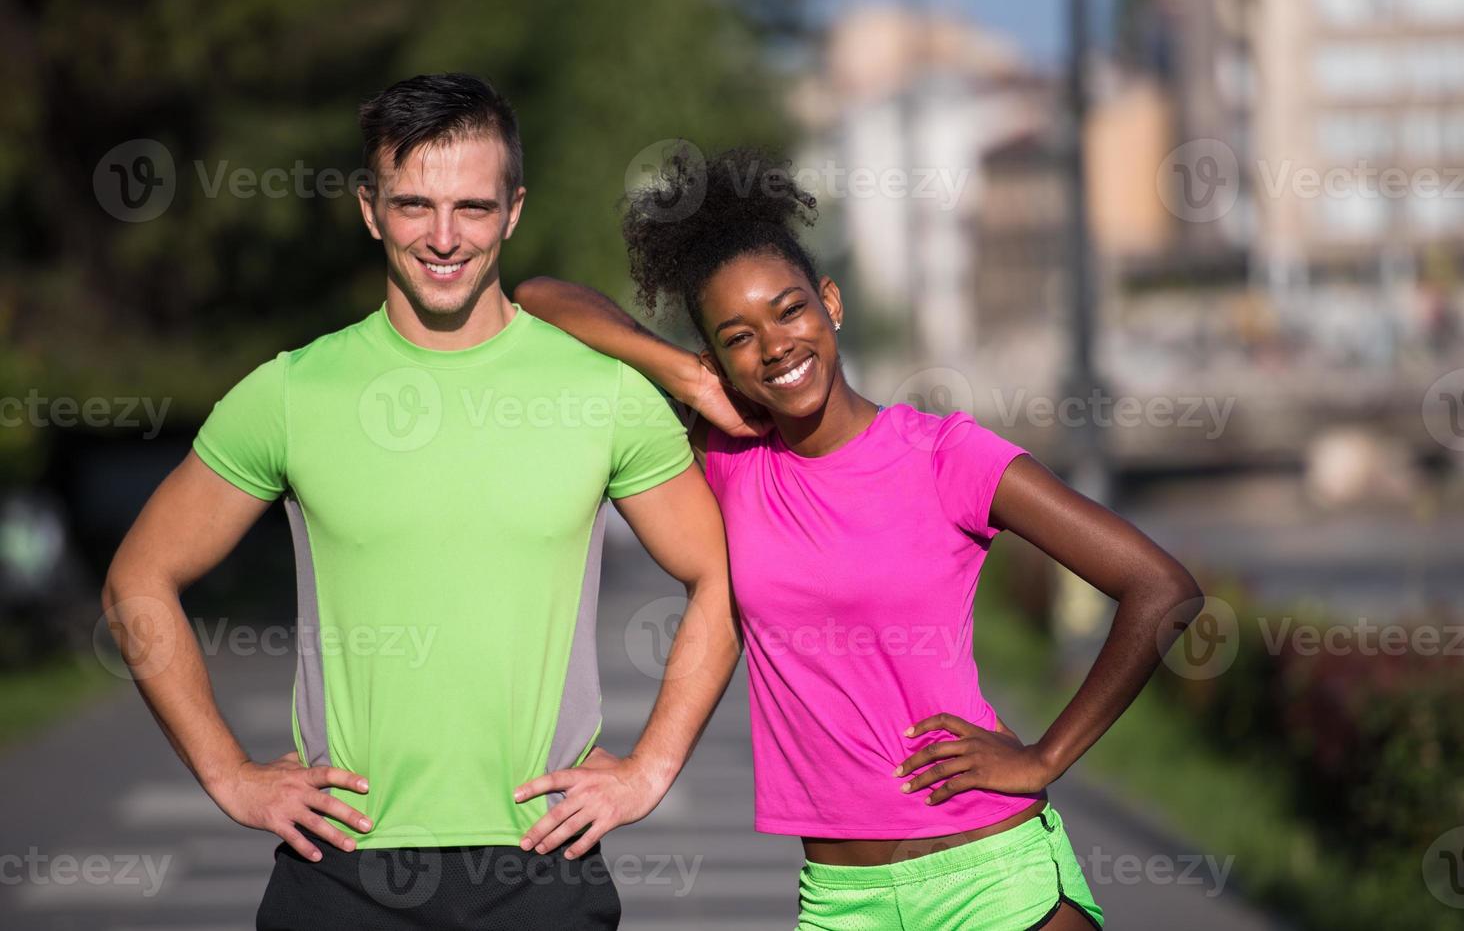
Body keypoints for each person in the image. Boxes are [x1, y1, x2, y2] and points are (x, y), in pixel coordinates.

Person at [101, 74, 743, 929]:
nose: (444, 238)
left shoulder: (605, 395)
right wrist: (229, 773)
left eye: (473, 208)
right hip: (337, 873)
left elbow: (725, 579)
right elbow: (136, 582)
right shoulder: (292, 392)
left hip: (542, 869)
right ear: (371, 209)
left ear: (512, 210)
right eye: (413, 205)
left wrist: (650, 768)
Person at [512, 147, 1206, 929]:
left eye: (788, 310)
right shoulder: (728, 458)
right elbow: (538, 296)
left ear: (830, 302)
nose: (774, 346)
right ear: (717, 358)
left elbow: (1161, 589)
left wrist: (1045, 757)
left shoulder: (945, 457)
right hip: (841, 898)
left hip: (989, 877)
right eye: (738, 337)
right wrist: (683, 374)